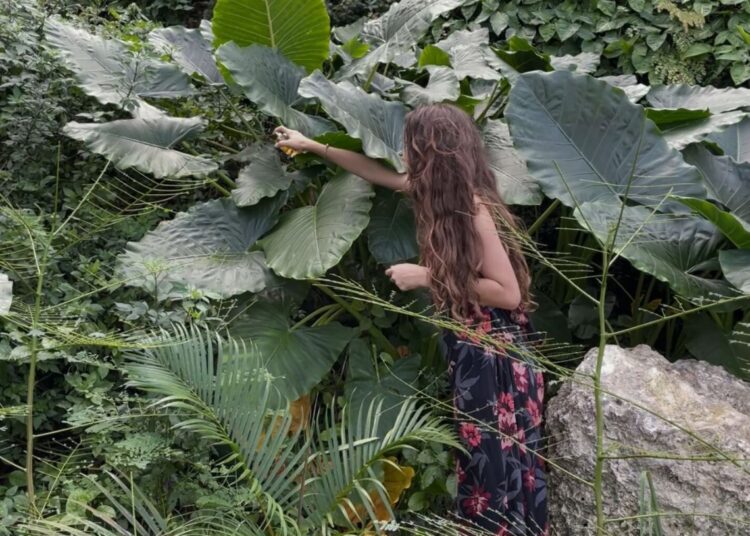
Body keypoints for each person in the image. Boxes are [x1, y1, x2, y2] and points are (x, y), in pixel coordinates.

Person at [274, 103, 548, 536]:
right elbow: (375, 172)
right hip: (475, 350)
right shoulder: (436, 192)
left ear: (431, 149)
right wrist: (312, 145)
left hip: (497, 357)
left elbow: (508, 292)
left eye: (411, 143)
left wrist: (426, 275)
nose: (405, 151)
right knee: (485, 467)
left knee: (496, 472)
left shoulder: (474, 209)